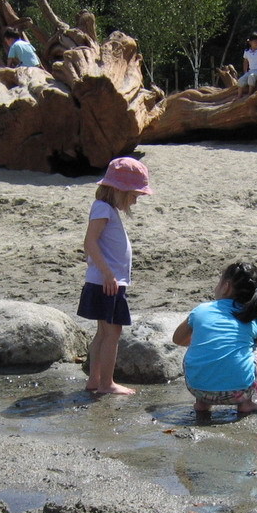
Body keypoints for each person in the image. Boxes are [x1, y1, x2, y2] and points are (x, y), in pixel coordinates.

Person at [77, 156, 153, 395]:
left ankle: (95, 380)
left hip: (104, 281)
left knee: (103, 332)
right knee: (112, 333)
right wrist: (109, 274)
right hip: (107, 282)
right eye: (134, 195)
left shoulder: (106, 209)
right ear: (119, 190)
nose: (135, 201)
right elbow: (90, 242)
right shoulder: (102, 208)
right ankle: (106, 384)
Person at [172, 261, 257, 416]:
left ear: (226, 287)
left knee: (195, 347)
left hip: (197, 389)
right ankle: (245, 403)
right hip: (238, 391)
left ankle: (202, 404)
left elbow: (177, 339)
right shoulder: (252, 319)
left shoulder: (200, 310)